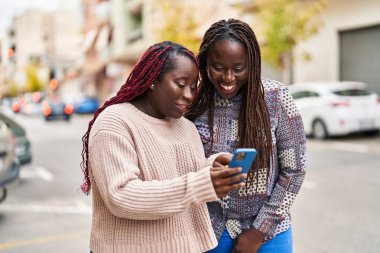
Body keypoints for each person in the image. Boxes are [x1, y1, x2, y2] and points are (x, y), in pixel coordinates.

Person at [80, 41, 248, 253]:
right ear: (152, 81)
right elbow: (121, 196)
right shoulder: (115, 122)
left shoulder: (186, 127)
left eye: (193, 87)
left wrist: (213, 168)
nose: (189, 94)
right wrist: (201, 184)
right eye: (180, 83)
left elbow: (182, 175)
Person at [186, 19, 307, 253]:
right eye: (218, 67)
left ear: (252, 64)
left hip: (270, 233)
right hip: (209, 232)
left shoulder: (276, 98)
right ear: (204, 63)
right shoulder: (193, 104)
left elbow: (295, 170)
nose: (228, 77)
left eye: (238, 68)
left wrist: (259, 232)